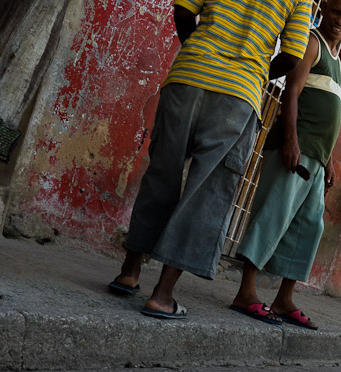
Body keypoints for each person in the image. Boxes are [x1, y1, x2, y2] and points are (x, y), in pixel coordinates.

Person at [108, 0, 312, 319]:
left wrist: (198, 50)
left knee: (162, 173)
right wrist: (255, 71)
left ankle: (129, 272)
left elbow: (184, 12)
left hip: (187, 76)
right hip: (239, 90)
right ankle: (162, 296)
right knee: (207, 193)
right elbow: (291, 55)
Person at [229, 0, 341, 331]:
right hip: (294, 152)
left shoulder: (336, 60)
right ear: (324, 9)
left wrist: (328, 161)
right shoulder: (311, 41)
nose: (340, 21)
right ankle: (246, 292)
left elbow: (325, 114)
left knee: (308, 228)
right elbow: (292, 92)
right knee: (271, 216)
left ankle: (284, 299)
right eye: (336, 13)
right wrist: (290, 141)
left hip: (315, 158)